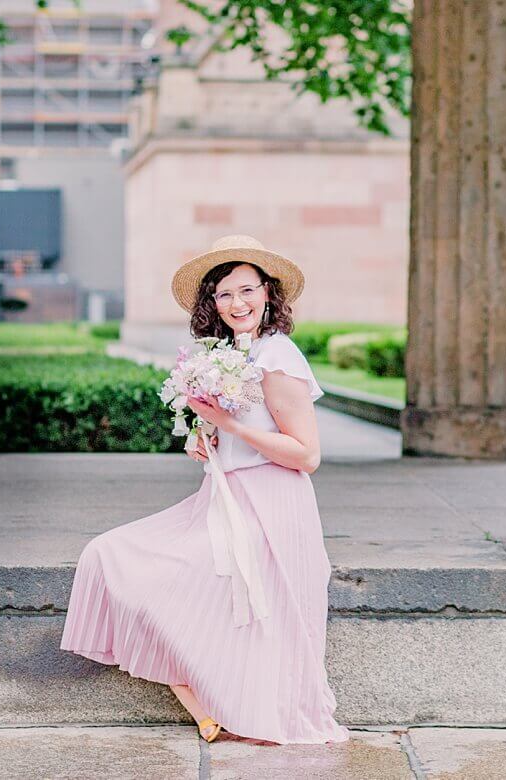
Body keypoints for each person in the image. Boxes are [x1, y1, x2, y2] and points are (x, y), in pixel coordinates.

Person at [59, 234, 350, 745]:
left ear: (268, 294)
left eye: (247, 291)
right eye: (223, 295)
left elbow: (307, 455)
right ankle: (202, 704)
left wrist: (230, 427)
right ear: (211, 304)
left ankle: (221, 704)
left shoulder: (277, 355)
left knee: (183, 582)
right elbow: (240, 428)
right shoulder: (235, 353)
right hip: (226, 498)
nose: (237, 304)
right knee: (109, 554)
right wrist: (205, 436)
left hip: (272, 507)